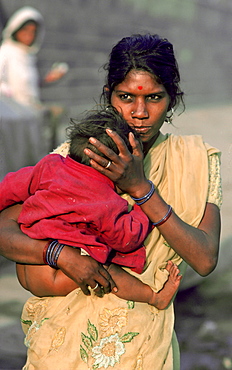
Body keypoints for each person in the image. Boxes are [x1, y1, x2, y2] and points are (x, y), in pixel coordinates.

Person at [0, 34, 222, 369]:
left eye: (155, 98)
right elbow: (7, 227)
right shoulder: (79, 156)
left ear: (172, 99)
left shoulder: (195, 160)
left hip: (144, 345)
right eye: (126, 97)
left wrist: (140, 188)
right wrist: (61, 255)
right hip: (63, 344)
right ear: (109, 96)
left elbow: (204, 258)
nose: (140, 112)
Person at [0, 107, 182, 307]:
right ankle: (154, 297)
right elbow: (126, 238)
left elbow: (10, 187)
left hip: (26, 264)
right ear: (115, 167)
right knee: (107, 272)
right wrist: (142, 206)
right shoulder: (104, 200)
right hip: (56, 276)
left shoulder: (50, 165)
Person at [0, 6, 68, 149]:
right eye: (25, 30)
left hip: (30, 114)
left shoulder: (27, 56)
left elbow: (26, 85)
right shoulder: (6, 51)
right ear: (16, 29)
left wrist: (48, 80)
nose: (29, 35)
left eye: (33, 32)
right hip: (14, 118)